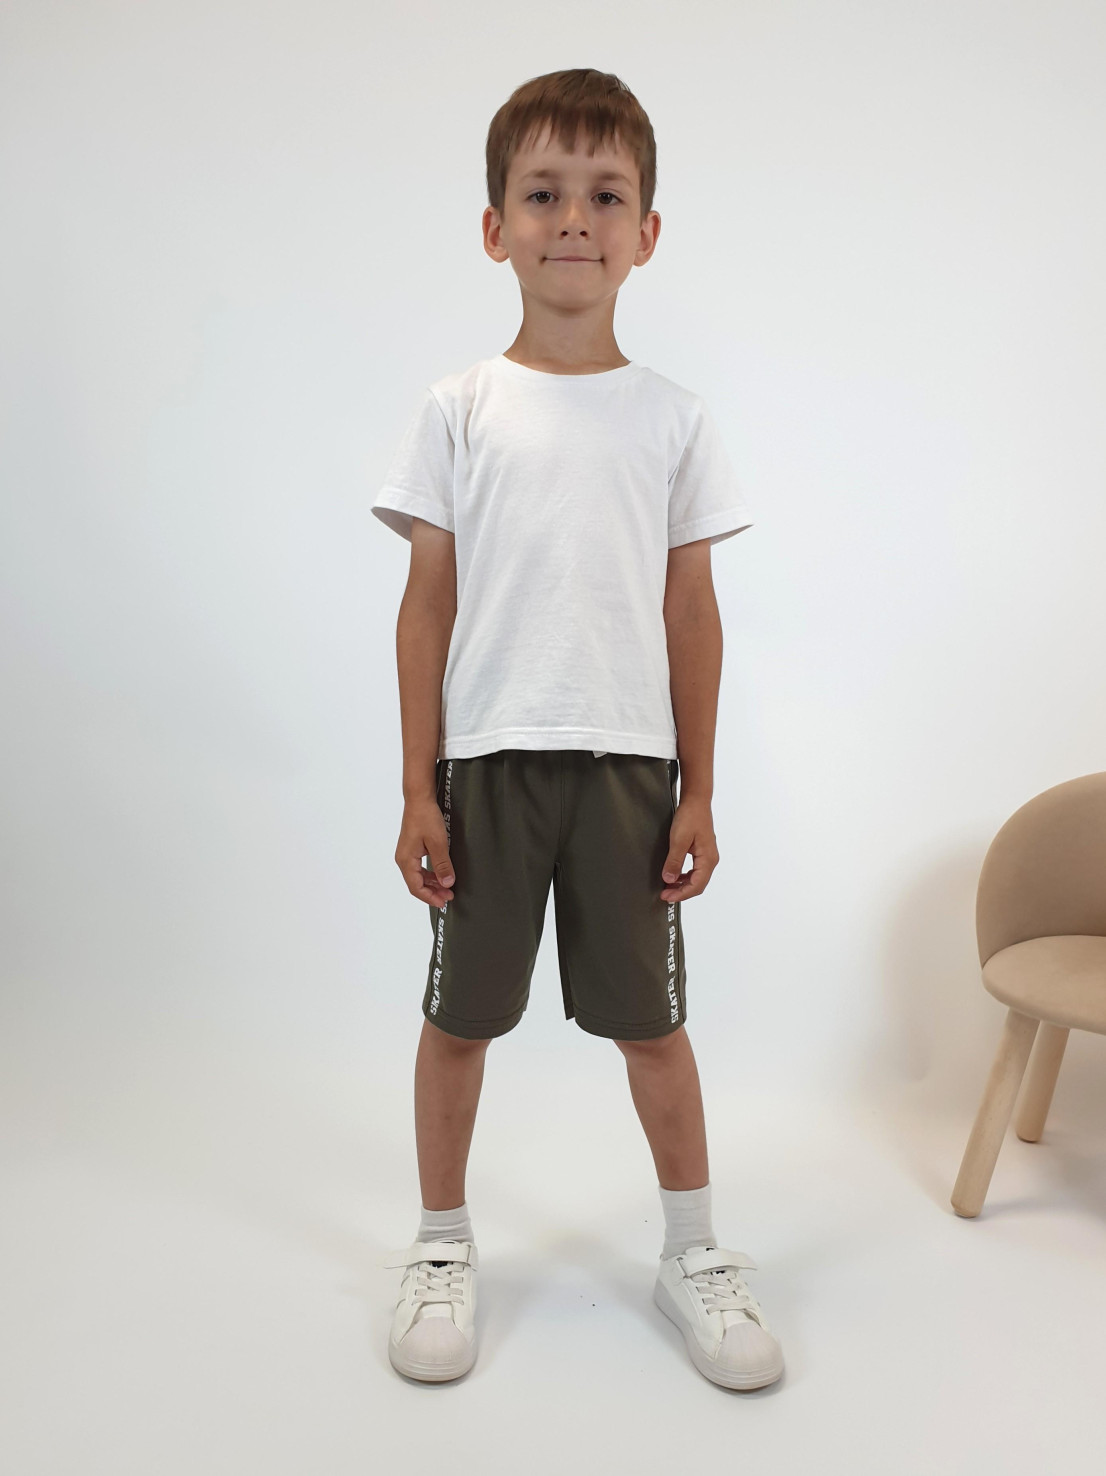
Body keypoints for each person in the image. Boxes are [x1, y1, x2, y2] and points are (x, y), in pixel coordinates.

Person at [373, 67, 784, 1392]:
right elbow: (425, 608)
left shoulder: (673, 419)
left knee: (650, 1025)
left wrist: (699, 788)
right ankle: (441, 1244)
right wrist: (418, 787)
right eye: (542, 193)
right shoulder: (459, 409)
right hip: (487, 768)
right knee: (461, 1022)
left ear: (645, 233)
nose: (572, 220)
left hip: (629, 773)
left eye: (605, 196)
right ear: (493, 225)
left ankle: (694, 1252)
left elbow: (691, 614)